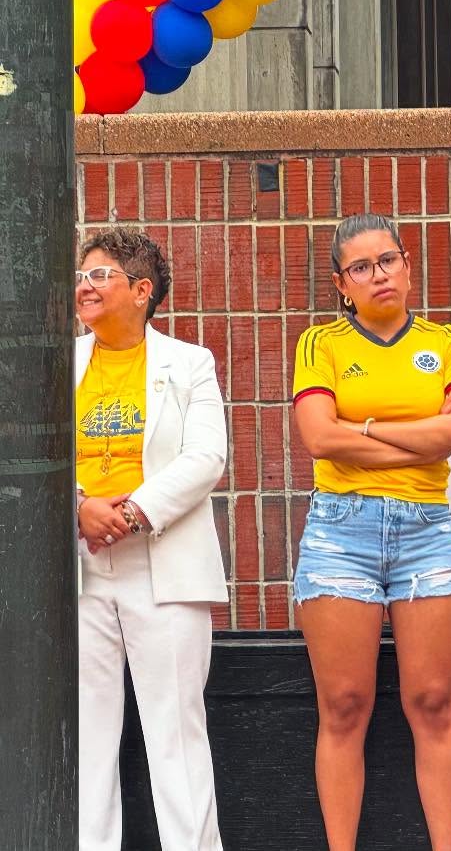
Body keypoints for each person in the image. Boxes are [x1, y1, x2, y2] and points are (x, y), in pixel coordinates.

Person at [290, 213, 451, 851]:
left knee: (433, 703)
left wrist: (364, 431)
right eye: (361, 268)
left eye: (389, 260)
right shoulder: (320, 345)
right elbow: (318, 437)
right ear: (341, 284)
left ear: (407, 264)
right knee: (344, 705)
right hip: (342, 530)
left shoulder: (450, 342)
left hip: (428, 530)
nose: (379, 275)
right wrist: (419, 440)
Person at [74, 227, 228, 851]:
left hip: (164, 566)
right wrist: (79, 507)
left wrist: (131, 512)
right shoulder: (57, 360)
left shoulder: (189, 363)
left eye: (101, 275)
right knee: (86, 736)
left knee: (177, 737)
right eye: (82, 275)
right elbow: (29, 451)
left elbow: (206, 458)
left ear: (142, 291)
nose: (86, 285)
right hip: (81, 570)